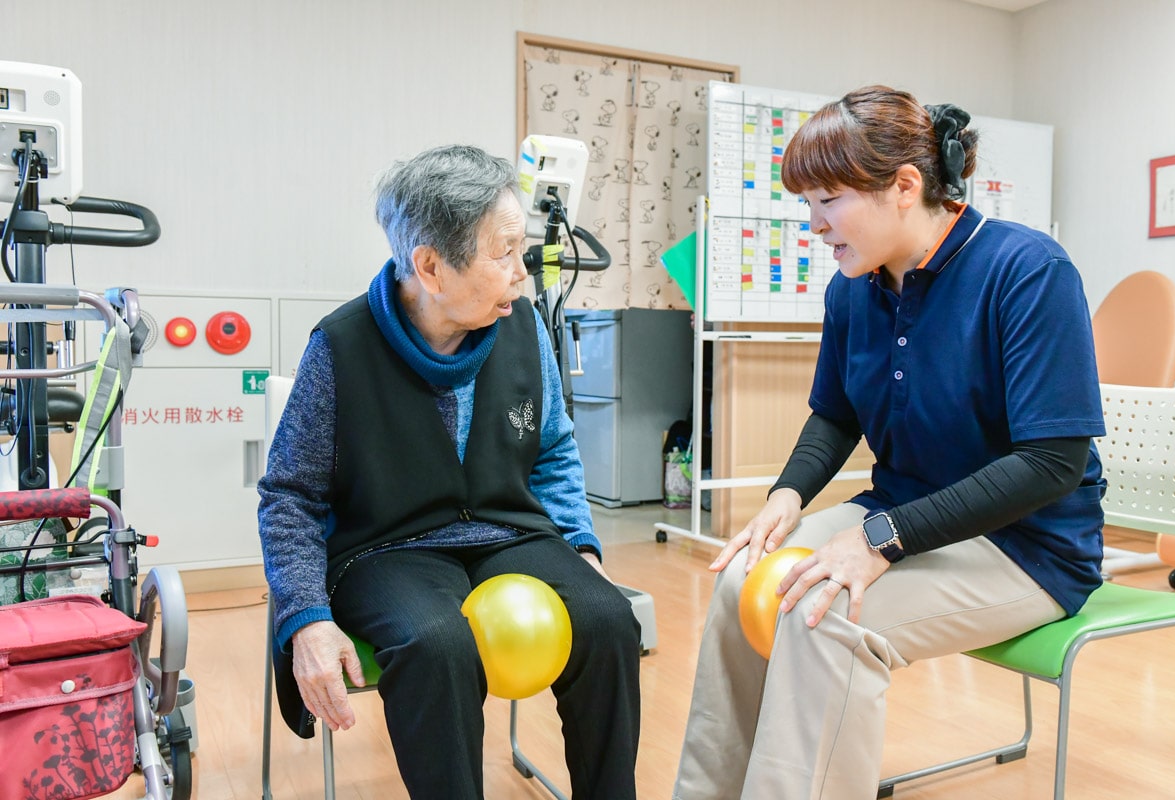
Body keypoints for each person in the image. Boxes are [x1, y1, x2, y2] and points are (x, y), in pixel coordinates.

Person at [673, 85, 1106, 799]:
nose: (813, 225)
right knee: (739, 583)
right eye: (806, 204)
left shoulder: (1028, 272)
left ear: (906, 186)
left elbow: (1051, 463)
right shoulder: (853, 289)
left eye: (829, 200)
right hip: (902, 511)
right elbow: (836, 415)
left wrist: (878, 541)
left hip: (1026, 548)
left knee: (822, 615)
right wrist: (787, 497)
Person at [258, 144, 641, 800]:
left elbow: (552, 450)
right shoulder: (341, 346)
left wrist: (581, 546)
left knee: (608, 618)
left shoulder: (520, 328)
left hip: (509, 533)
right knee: (437, 645)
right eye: (504, 253)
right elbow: (290, 493)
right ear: (431, 267)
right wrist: (305, 615)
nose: (521, 275)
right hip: (387, 549)